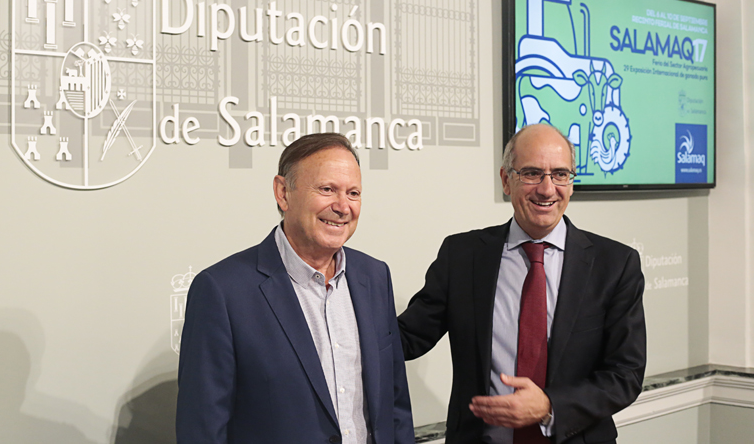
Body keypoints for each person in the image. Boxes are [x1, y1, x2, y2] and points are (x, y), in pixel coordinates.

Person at [398, 123, 646, 444]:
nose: (547, 189)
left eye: (560, 174)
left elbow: (624, 375)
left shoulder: (615, 264)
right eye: (531, 173)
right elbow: (407, 338)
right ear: (506, 180)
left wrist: (548, 405)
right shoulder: (462, 256)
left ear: (571, 182)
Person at [176, 133, 414, 444]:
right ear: (283, 192)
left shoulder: (375, 276)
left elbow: (395, 404)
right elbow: (203, 428)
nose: (343, 207)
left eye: (353, 193)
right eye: (327, 189)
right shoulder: (222, 291)